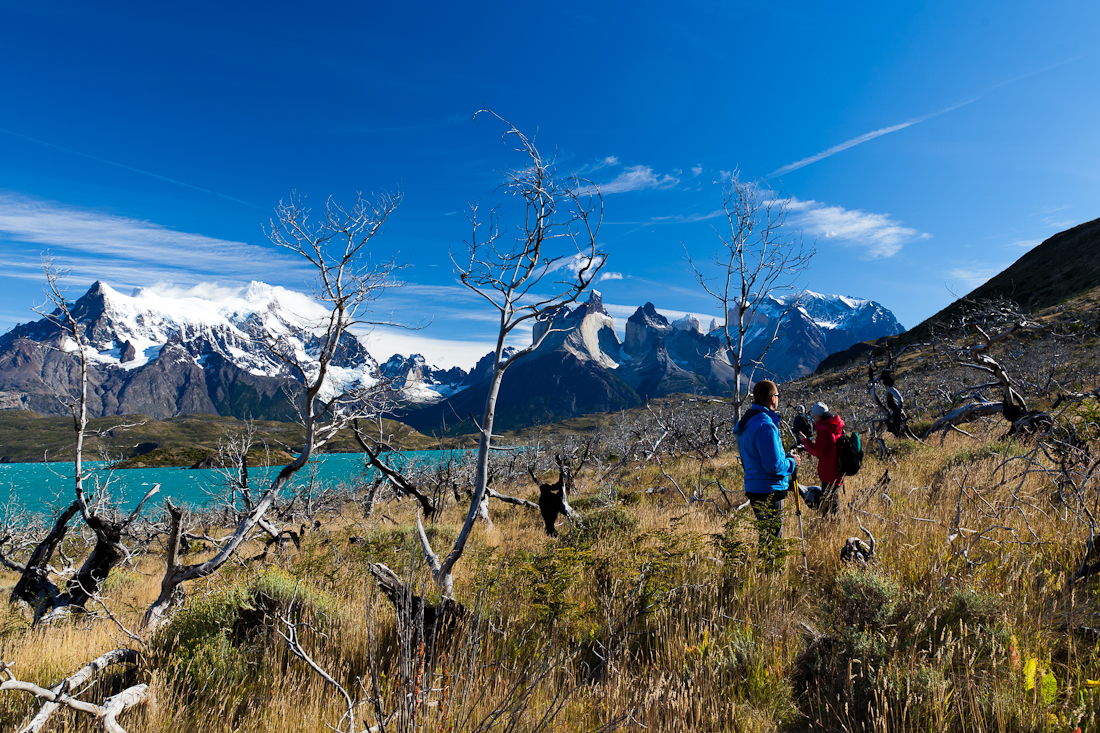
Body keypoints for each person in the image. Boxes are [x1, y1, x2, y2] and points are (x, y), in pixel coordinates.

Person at [733, 379, 799, 562]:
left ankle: (766, 574)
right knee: (774, 539)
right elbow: (773, 466)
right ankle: (773, 575)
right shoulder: (765, 425)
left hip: (755, 486)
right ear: (771, 398)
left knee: (766, 536)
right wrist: (792, 462)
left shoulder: (749, 422)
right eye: (777, 395)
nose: (778, 399)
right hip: (768, 489)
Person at [801, 401, 844, 516]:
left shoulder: (823, 429)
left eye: (813, 416)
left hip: (828, 471)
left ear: (818, 416)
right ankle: (834, 523)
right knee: (833, 500)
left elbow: (818, 451)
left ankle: (832, 526)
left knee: (829, 503)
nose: (813, 419)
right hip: (837, 469)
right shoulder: (834, 426)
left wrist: (805, 441)